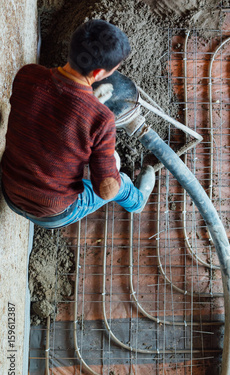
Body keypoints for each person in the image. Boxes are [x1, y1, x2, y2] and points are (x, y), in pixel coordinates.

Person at [1, 19, 155, 229]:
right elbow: (104, 189)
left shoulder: (28, 75)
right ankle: (137, 202)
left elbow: (50, 115)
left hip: (9, 190)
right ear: (99, 74)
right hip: (52, 213)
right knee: (121, 183)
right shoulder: (101, 120)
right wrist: (92, 113)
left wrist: (86, 106)